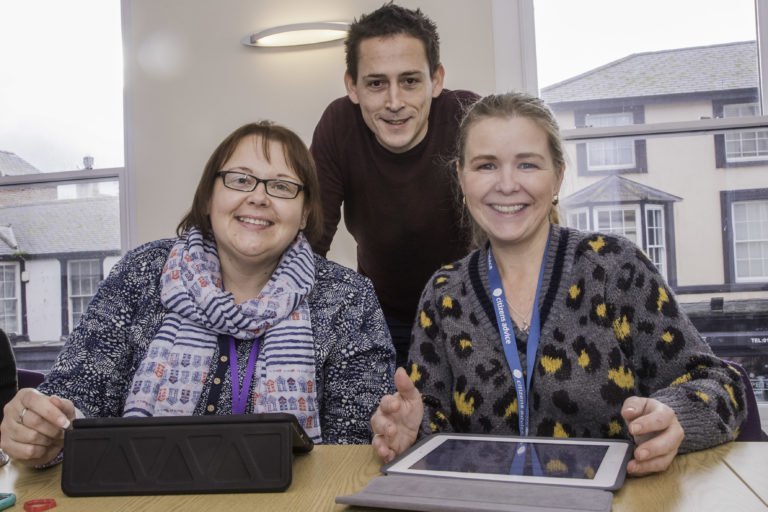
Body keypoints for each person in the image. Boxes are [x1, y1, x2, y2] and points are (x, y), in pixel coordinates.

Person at [370, 92, 747, 476]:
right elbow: (434, 419)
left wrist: (674, 416)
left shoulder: (614, 267)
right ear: (461, 178)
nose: (506, 184)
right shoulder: (443, 292)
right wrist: (413, 430)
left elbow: (721, 384)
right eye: (486, 166)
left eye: (528, 165)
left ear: (558, 176)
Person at [1, 121, 395, 467]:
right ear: (209, 198)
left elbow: (356, 443)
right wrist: (43, 426)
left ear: (305, 213)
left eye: (282, 186)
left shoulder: (347, 297)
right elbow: (77, 393)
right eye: (240, 179)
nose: (258, 196)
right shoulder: (142, 272)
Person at [310, 3, 479, 368]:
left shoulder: (469, 118)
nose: (394, 102)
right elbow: (312, 236)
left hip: (473, 308)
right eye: (376, 83)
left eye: (410, 80)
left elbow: (502, 224)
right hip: (382, 314)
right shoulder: (339, 124)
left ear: (436, 80)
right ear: (352, 86)